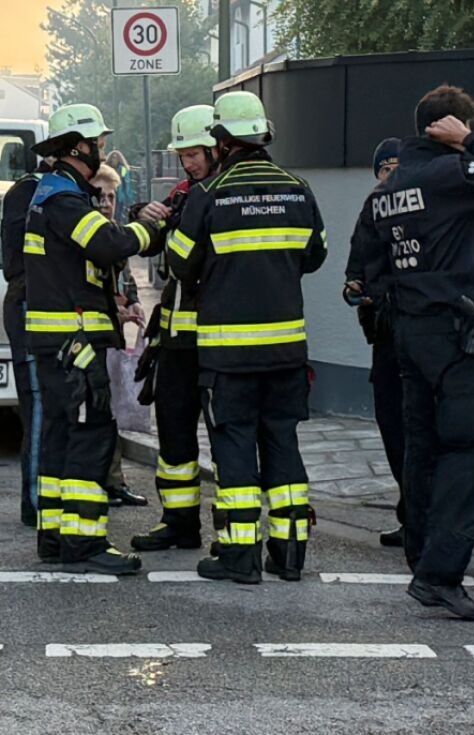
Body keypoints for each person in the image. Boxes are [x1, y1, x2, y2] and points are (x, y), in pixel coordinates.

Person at [369, 84, 474, 620]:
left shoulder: (391, 186)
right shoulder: (447, 175)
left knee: (423, 448)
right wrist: (473, 138)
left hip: (409, 334)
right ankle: (440, 575)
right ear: (449, 130)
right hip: (452, 334)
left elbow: (370, 263)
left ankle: (423, 558)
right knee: (470, 446)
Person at [168, 91, 326, 584]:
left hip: (228, 356)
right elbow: (315, 255)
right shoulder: (297, 189)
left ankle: (240, 557)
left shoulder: (209, 196)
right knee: (282, 441)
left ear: (220, 140)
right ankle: (290, 554)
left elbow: (177, 262)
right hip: (285, 351)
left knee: (234, 446)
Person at [24, 103, 161, 573]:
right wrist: (151, 227)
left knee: (62, 435)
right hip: (74, 343)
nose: (102, 150)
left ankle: (57, 538)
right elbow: (108, 245)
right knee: (91, 433)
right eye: (98, 143)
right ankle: (84, 544)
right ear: (78, 146)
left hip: (59, 343)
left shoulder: (50, 195)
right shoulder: (64, 199)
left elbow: (77, 267)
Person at [131, 105, 219, 552]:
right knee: (174, 433)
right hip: (177, 341)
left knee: (227, 438)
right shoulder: (185, 195)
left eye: (196, 153)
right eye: (183, 154)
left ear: (218, 145)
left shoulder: (225, 195)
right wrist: (142, 212)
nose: (189, 162)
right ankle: (179, 523)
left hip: (221, 340)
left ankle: (234, 533)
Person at [343, 137, 407, 548]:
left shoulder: (420, 211)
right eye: (385, 170)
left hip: (416, 337)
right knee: (394, 430)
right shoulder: (370, 213)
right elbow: (355, 268)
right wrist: (354, 289)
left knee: (416, 430)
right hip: (384, 336)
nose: (391, 178)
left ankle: (424, 517)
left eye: (398, 169)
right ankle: (411, 514)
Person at [90, 163, 149, 509]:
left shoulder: (114, 233)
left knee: (110, 414)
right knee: (95, 415)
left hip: (111, 338)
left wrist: (136, 304)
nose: (106, 203)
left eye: (111, 196)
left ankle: (114, 482)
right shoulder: (87, 236)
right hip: (89, 339)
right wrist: (115, 307)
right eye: (100, 196)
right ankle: (100, 483)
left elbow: (125, 281)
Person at [1, 155, 51, 527]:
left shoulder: (30, 190)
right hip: (28, 304)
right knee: (37, 405)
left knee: (42, 406)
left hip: (30, 303)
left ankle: (41, 497)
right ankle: (35, 501)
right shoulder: (36, 192)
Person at [106, 150, 136, 223]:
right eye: (113, 157)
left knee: (118, 214)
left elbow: (127, 183)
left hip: (119, 195)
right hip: (108, 194)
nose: (114, 159)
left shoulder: (123, 169)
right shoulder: (106, 168)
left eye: (116, 158)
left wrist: (129, 199)